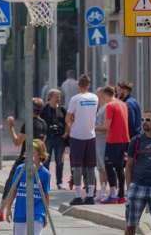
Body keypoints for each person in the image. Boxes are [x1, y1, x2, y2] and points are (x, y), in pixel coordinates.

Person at [0, 98, 47, 220]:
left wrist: (11, 127)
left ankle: (1, 211)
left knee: (12, 183)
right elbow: (42, 144)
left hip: (25, 158)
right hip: (37, 160)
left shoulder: (28, 124)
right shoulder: (43, 124)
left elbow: (17, 142)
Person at [1, 139, 51, 235]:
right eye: (27, 151)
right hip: (21, 209)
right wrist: (8, 208)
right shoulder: (20, 169)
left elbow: (46, 195)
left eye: (32, 152)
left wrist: (46, 214)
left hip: (38, 211)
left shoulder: (45, 173)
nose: (29, 154)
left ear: (40, 154)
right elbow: (13, 190)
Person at [65, 74, 99, 206]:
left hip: (77, 136)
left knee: (77, 166)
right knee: (90, 166)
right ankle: (90, 196)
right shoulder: (95, 97)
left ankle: (78, 195)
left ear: (79, 85)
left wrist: (71, 125)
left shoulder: (75, 99)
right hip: (91, 135)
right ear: (88, 85)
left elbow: (68, 118)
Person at [98, 86, 130, 204]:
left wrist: (93, 128)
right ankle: (121, 195)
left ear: (105, 95)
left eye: (102, 96)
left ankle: (112, 194)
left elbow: (106, 126)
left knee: (109, 166)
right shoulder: (123, 104)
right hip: (124, 140)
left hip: (113, 140)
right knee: (119, 167)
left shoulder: (110, 106)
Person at [40, 89, 67, 189]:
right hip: (48, 138)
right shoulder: (44, 109)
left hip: (60, 138)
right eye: (56, 97)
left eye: (59, 97)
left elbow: (67, 122)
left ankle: (59, 183)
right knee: (46, 161)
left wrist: (66, 133)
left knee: (60, 161)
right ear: (50, 97)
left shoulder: (62, 109)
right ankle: (45, 183)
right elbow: (40, 122)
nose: (58, 99)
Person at [94, 87, 110, 199]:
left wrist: (92, 127)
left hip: (104, 141)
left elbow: (106, 127)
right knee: (100, 167)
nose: (97, 96)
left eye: (98, 94)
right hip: (98, 140)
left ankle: (106, 190)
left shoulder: (106, 108)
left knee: (104, 167)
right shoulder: (100, 108)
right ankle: (102, 189)